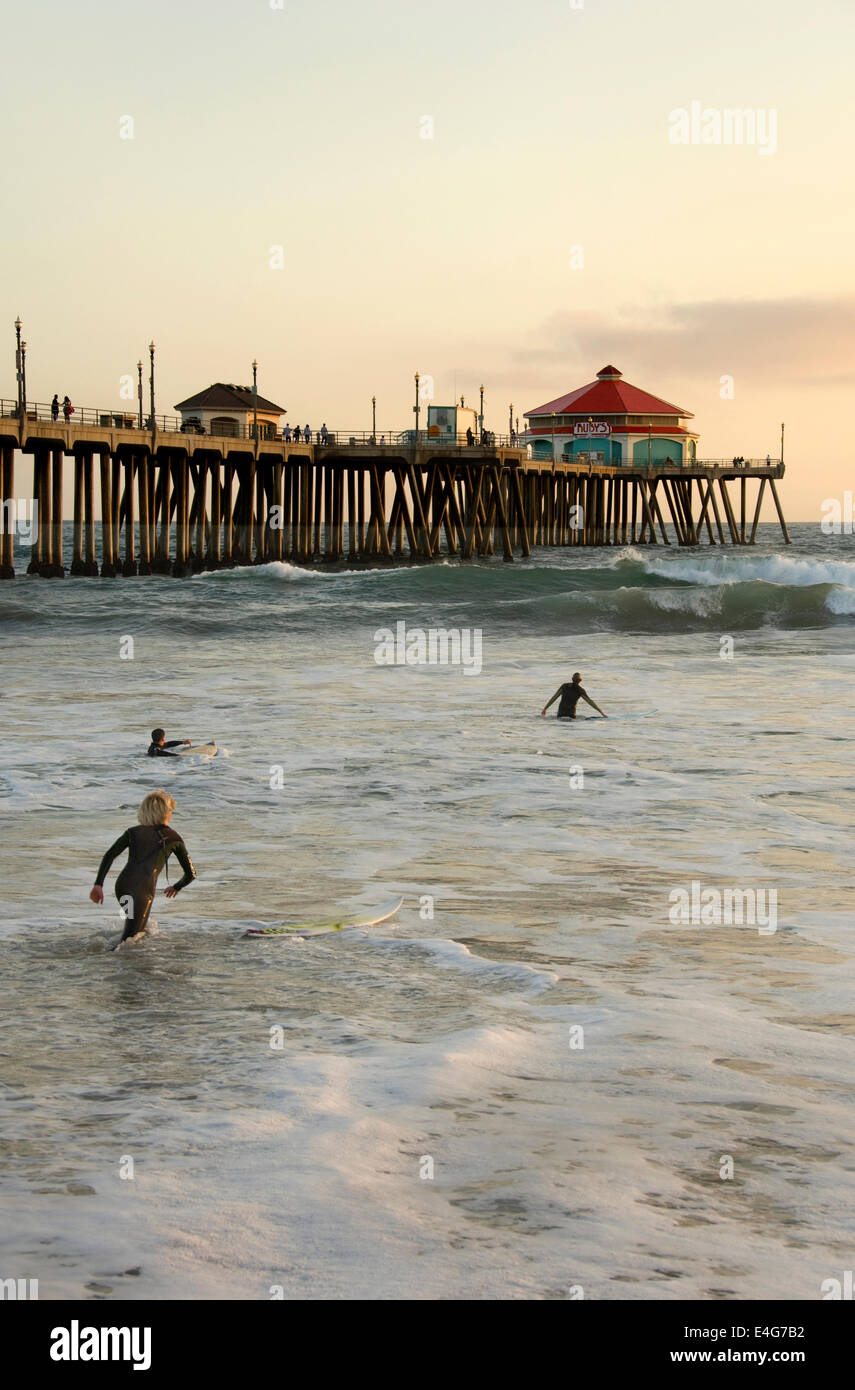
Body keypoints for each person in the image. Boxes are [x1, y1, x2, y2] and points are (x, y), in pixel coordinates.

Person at [90, 789, 196, 945]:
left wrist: (98, 884)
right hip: (142, 891)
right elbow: (191, 874)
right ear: (166, 813)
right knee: (130, 939)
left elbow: (110, 854)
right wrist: (176, 887)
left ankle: (118, 962)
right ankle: (106, 965)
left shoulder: (132, 832)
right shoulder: (174, 838)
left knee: (135, 931)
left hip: (122, 887)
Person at [541, 672, 607, 720]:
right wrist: (601, 712)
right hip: (571, 715)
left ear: (572, 679)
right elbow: (590, 702)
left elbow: (554, 697)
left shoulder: (564, 686)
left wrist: (545, 708)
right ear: (580, 680)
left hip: (560, 714)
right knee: (589, 719)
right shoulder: (580, 690)